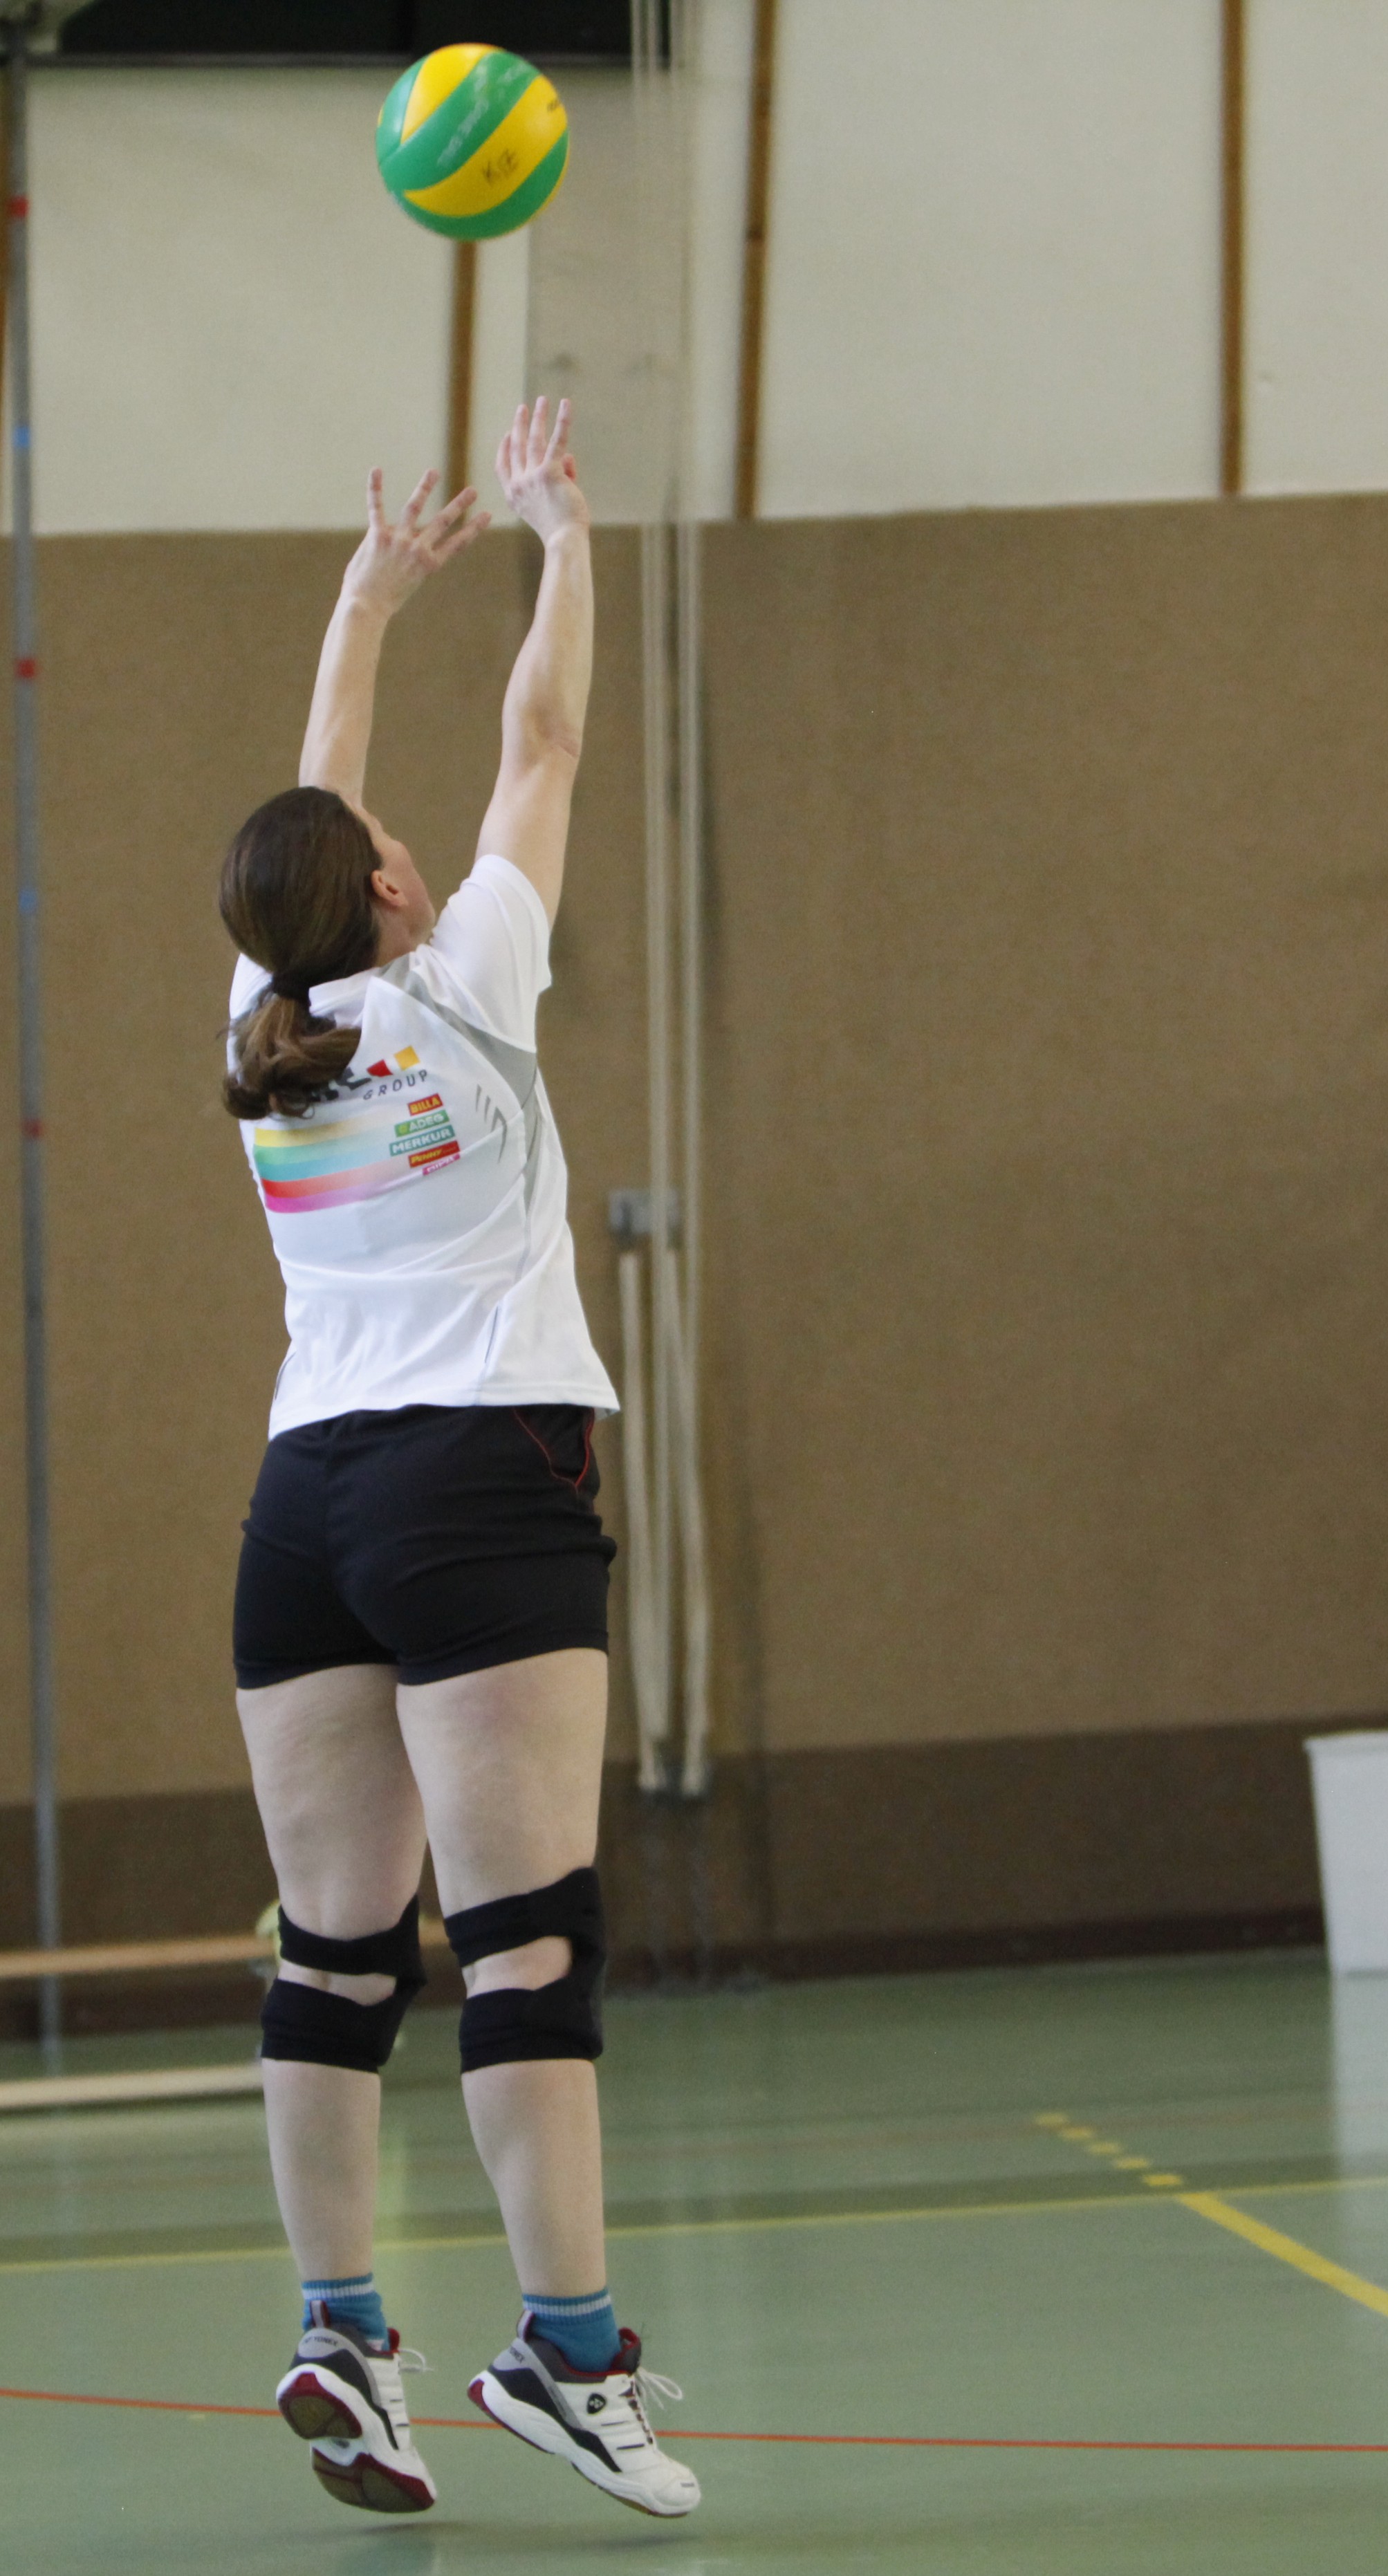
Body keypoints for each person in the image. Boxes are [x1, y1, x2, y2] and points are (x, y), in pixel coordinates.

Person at [219, 401, 698, 2519]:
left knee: (335, 1951)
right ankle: (568, 2358)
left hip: (301, 1507)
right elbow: (545, 741)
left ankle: (343, 2330)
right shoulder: (467, 983)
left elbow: (317, 800)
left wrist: (359, 604)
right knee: (525, 1938)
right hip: (480, 1479)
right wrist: (559, 541)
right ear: (393, 886)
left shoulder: (264, 1030)